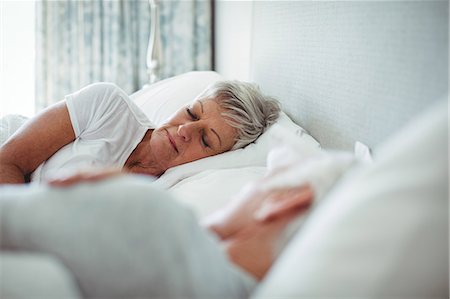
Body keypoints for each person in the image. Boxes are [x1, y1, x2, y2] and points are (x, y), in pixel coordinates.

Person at [0, 147, 354, 298]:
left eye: (261, 181)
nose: (244, 188)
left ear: (279, 203)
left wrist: (113, 200)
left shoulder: (155, 223)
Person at [0, 80, 280, 184]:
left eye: (206, 139)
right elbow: (7, 161)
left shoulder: (166, 193)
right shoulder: (107, 104)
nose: (185, 129)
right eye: (192, 112)